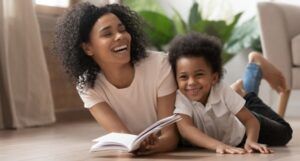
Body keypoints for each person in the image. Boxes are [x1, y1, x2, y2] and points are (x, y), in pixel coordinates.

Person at [53, 2, 178, 155]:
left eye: (122, 29)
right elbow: (123, 137)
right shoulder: (87, 85)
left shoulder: (159, 65)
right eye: (107, 34)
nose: (120, 36)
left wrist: (152, 145)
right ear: (87, 48)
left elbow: (170, 136)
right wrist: (137, 146)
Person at [167, 32, 293, 154]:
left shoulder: (221, 89)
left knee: (285, 132)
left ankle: (253, 73)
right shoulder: (180, 96)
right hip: (225, 136)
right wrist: (219, 145)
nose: (191, 82)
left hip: (240, 133)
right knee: (233, 100)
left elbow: (250, 120)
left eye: (199, 75)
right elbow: (186, 130)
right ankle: (238, 93)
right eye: (184, 77)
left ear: (214, 78)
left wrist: (251, 140)